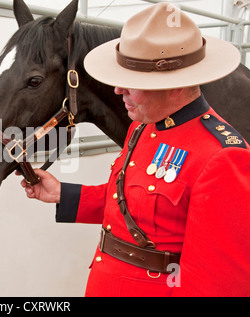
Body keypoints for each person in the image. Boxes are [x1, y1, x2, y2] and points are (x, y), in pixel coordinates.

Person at [20, 3, 250, 296]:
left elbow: (216, 285)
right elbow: (132, 200)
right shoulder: (144, 125)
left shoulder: (223, 156)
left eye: (132, 82)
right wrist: (62, 194)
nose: (118, 90)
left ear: (176, 85)